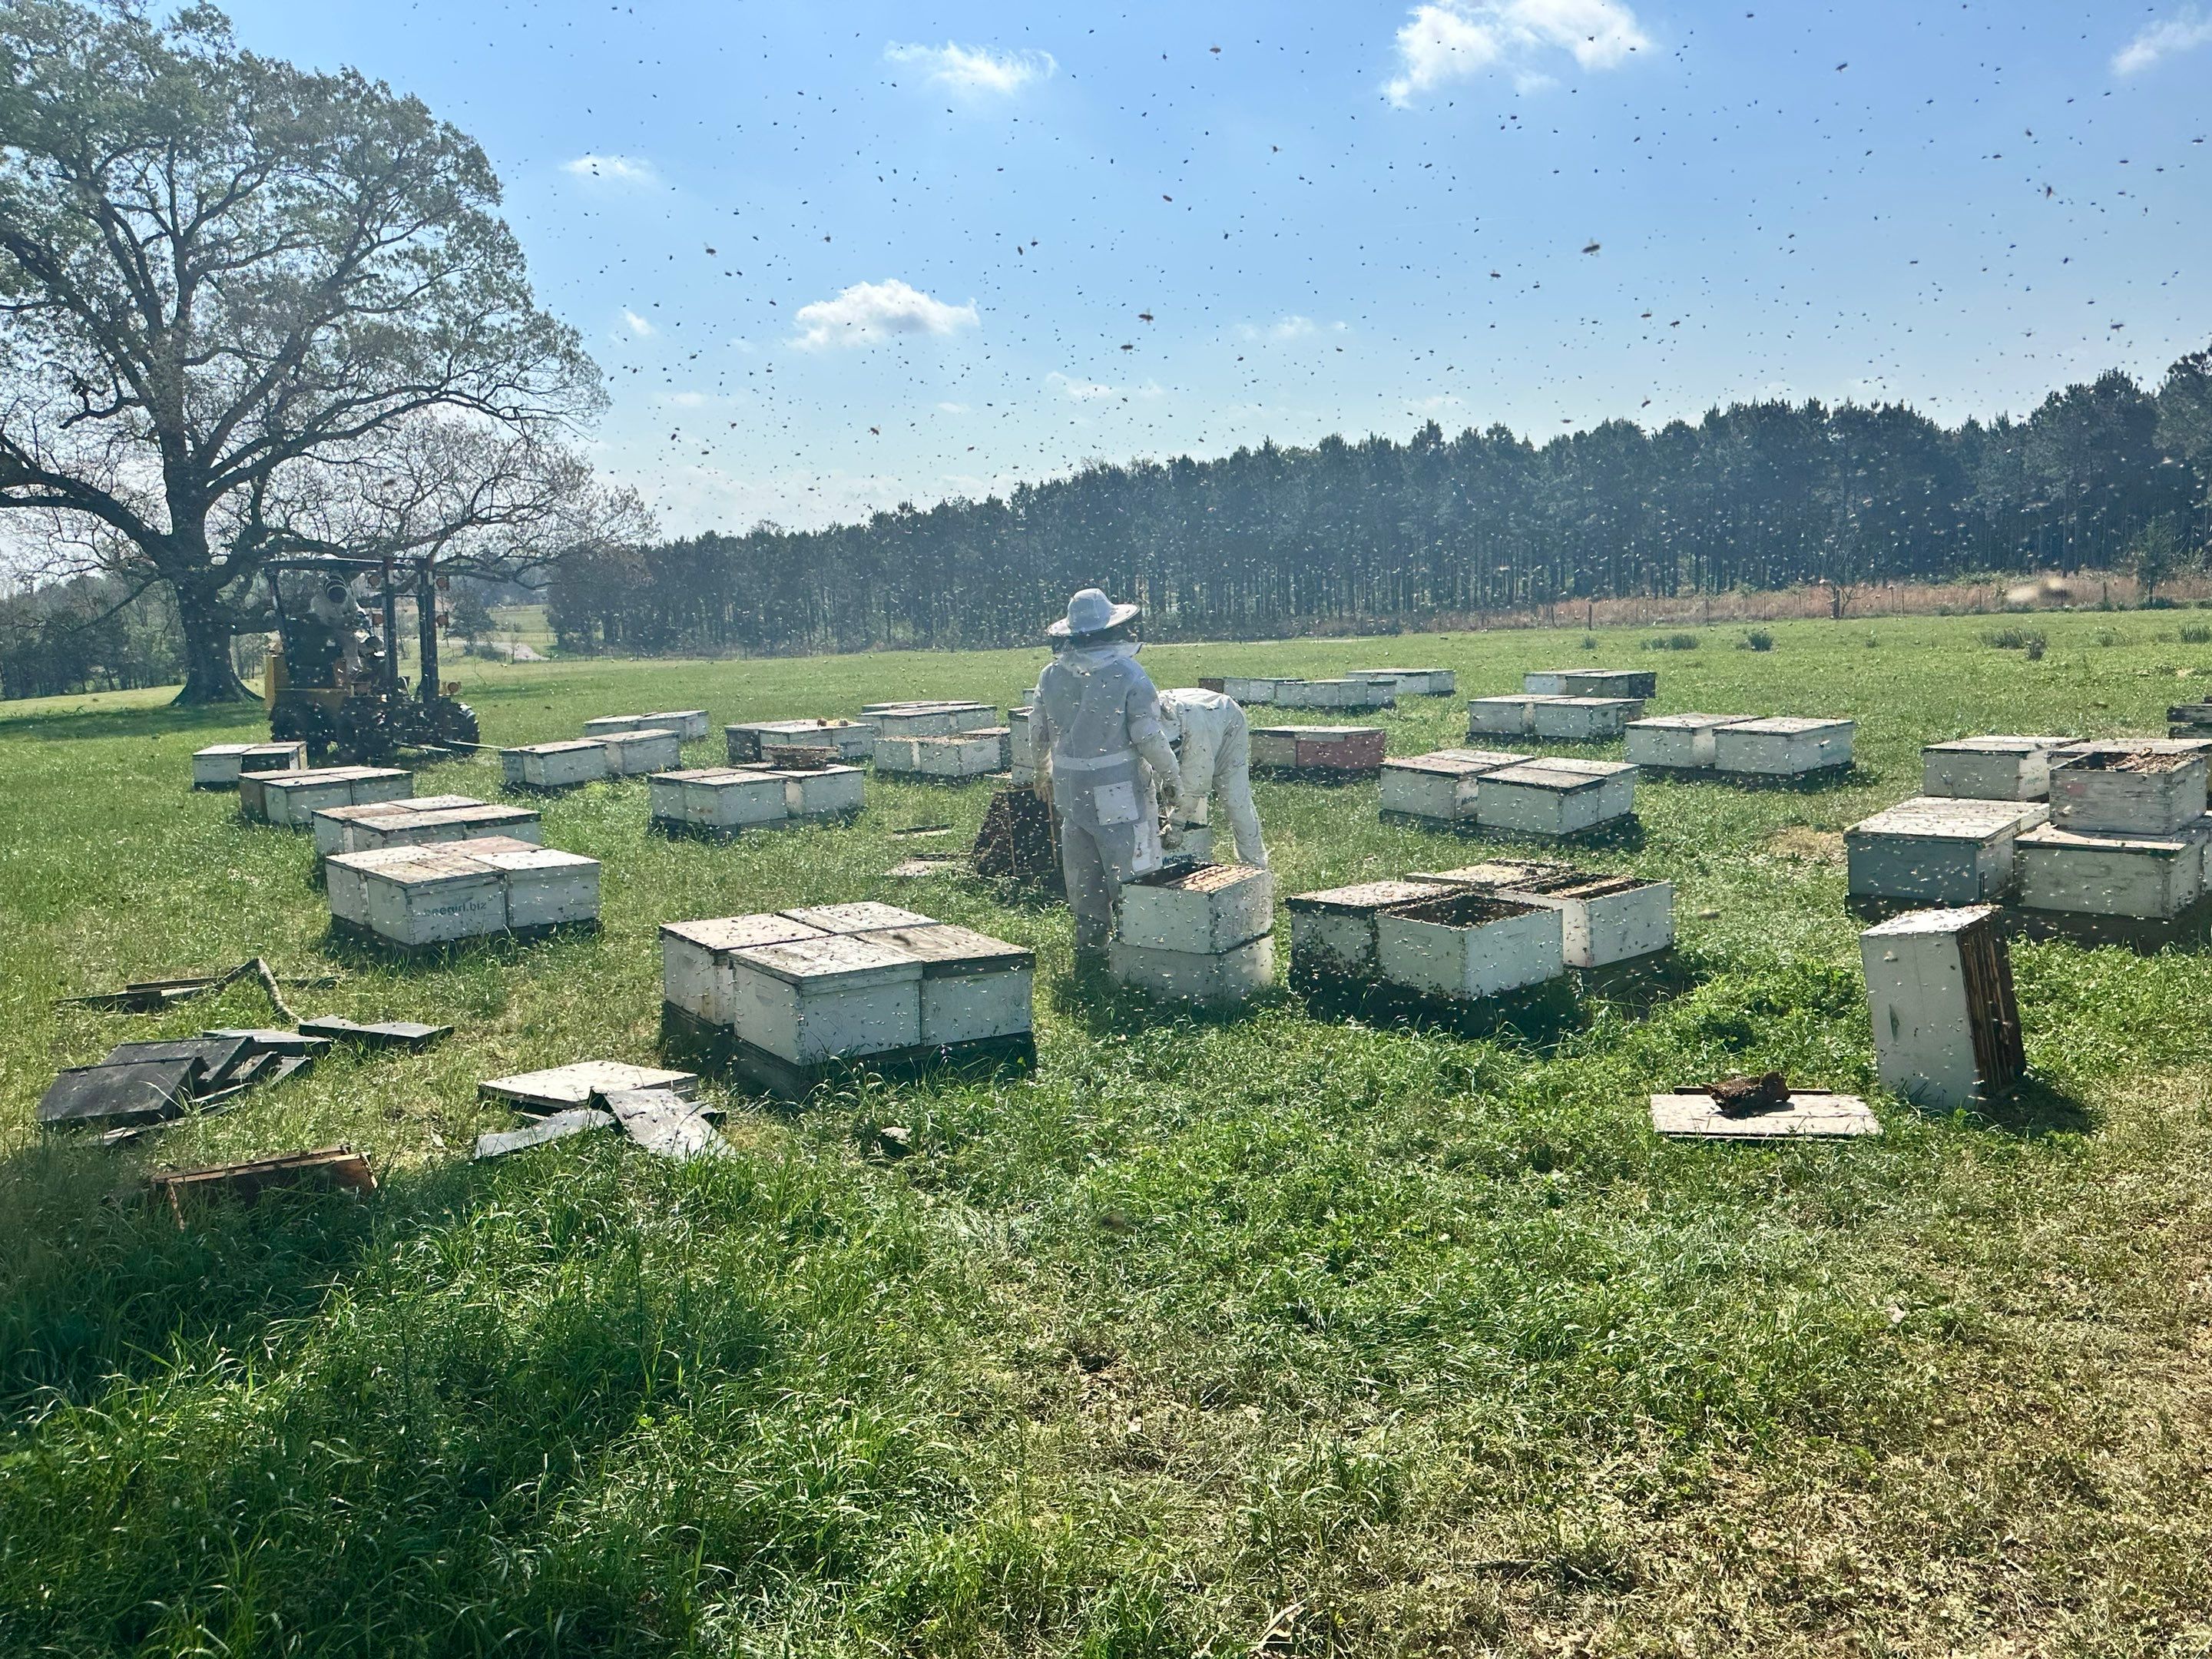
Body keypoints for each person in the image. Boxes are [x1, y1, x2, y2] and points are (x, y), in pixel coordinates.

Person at [1031, 588, 1183, 959]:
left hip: (1069, 787)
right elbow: (1147, 733)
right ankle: (1140, 952)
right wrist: (1172, 777)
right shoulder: (1127, 672)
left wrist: (1041, 770)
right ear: (1112, 629)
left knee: (1083, 873)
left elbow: (1037, 730)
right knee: (1133, 869)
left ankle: (1091, 951)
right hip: (1118, 788)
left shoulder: (1050, 675)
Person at [1156, 686, 1268, 867]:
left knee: (1235, 799)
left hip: (1227, 722)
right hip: (1202, 715)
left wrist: (1176, 825)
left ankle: (1255, 864)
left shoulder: (1194, 728)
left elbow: (1196, 780)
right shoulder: (1144, 718)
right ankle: (1193, 856)